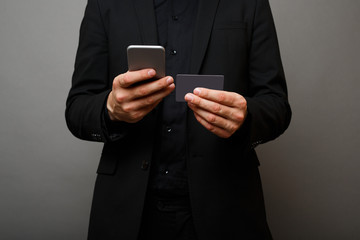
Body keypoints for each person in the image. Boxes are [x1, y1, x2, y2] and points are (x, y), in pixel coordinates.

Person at [65, 0, 291, 239]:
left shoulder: (250, 3)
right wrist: (110, 108)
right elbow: (77, 108)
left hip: (226, 207)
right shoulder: (105, 4)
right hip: (127, 211)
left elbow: (277, 104)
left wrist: (246, 117)